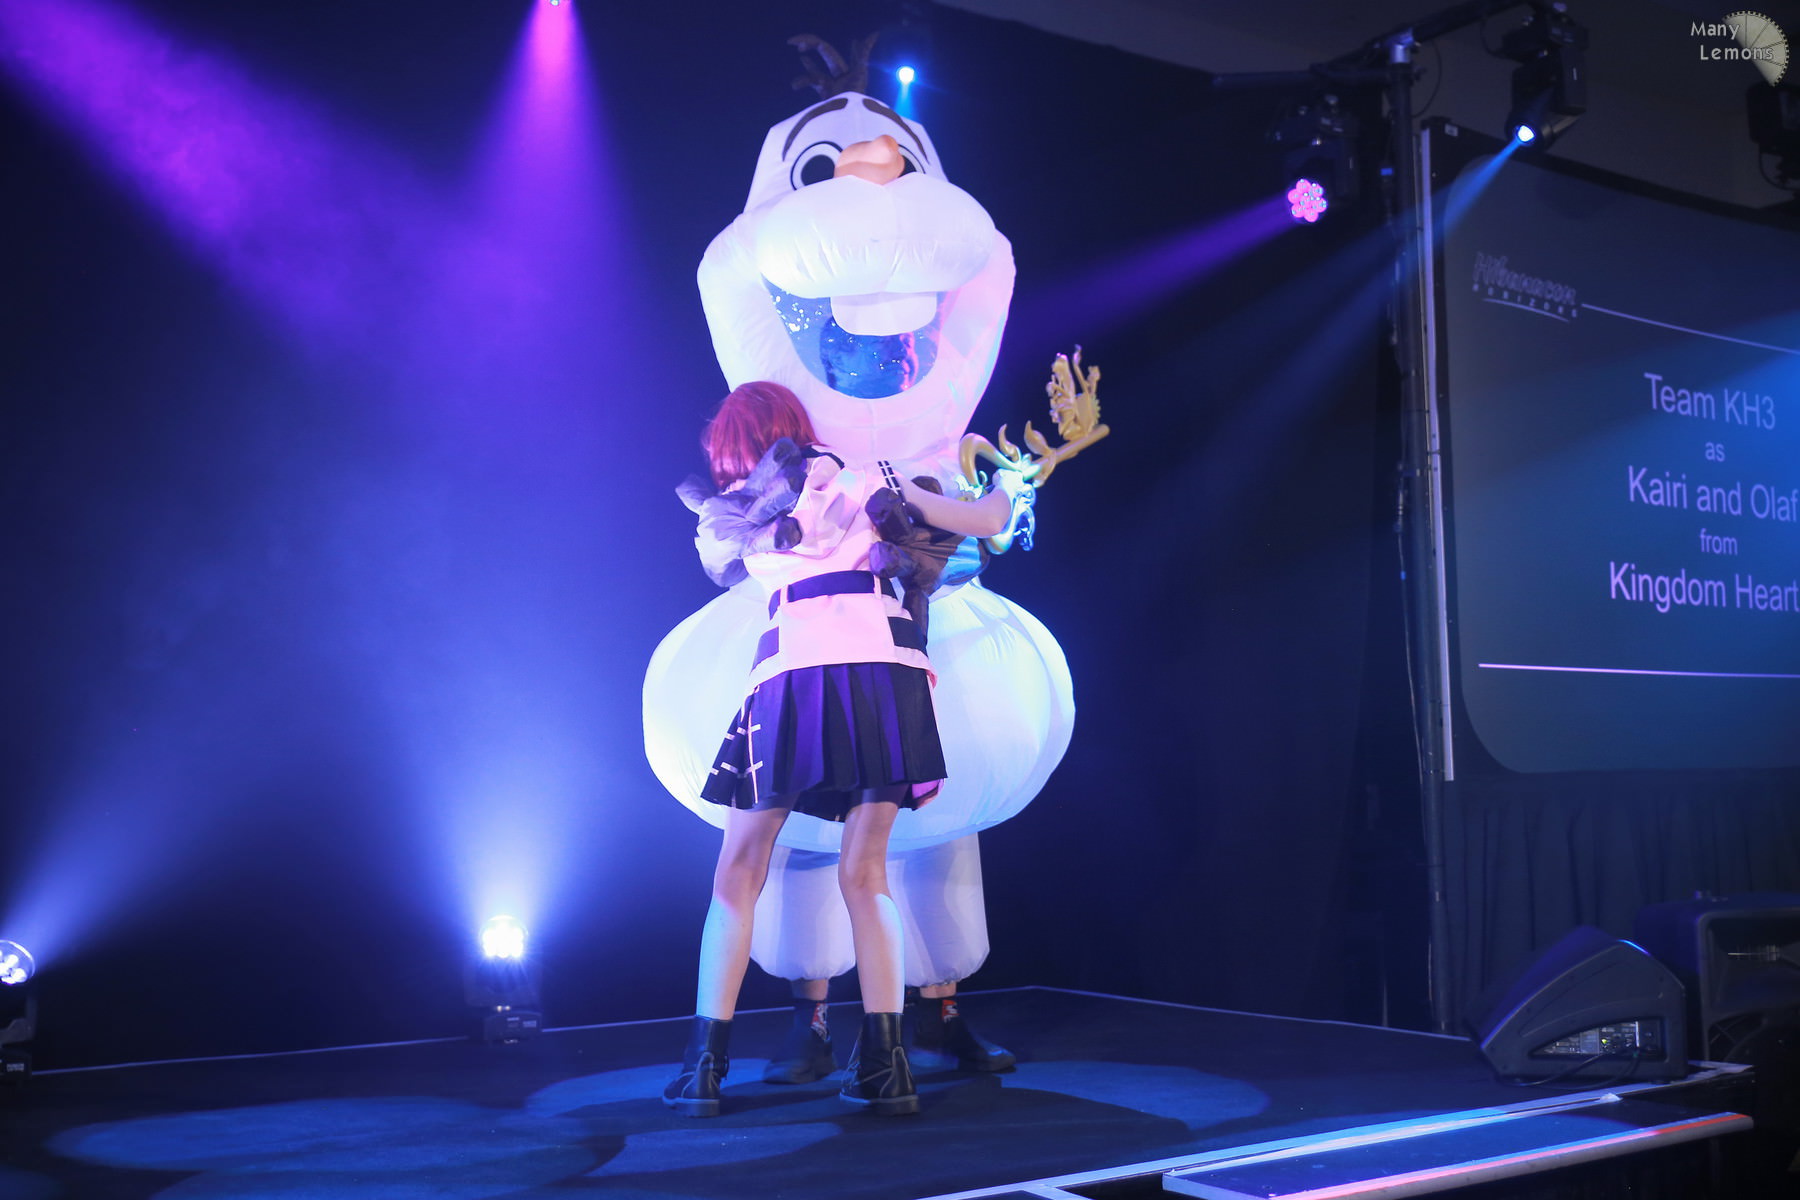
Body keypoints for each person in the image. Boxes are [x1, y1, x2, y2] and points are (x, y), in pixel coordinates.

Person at [663, 380, 1026, 1118]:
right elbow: (989, 521)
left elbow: (729, 558)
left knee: (738, 872)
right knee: (867, 874)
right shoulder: (867, 478)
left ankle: (704, 1068)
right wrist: (1010, 484)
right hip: (887, 672)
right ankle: (887, 1070)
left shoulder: (729, 516)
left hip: (792, 671)